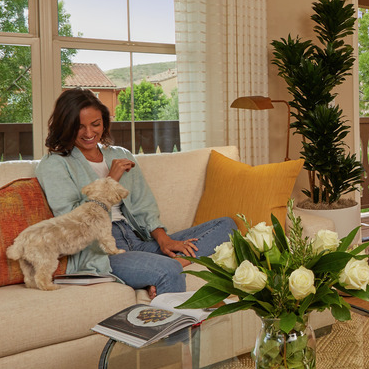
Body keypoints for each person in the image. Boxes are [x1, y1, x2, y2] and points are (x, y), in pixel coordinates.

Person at [35, 88, 236, 298]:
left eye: (95, 124)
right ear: (66, 126)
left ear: (104, 122)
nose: (89, 133)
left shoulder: (120, 155)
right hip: (103, 251)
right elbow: (73, 221)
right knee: (168, 272)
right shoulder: (54, 164)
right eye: (79, 127)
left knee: (227, 227)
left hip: (138, 240)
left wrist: (163, 239)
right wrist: (110, 180)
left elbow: (143, 205)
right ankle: (168, 270)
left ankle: (173, 264)